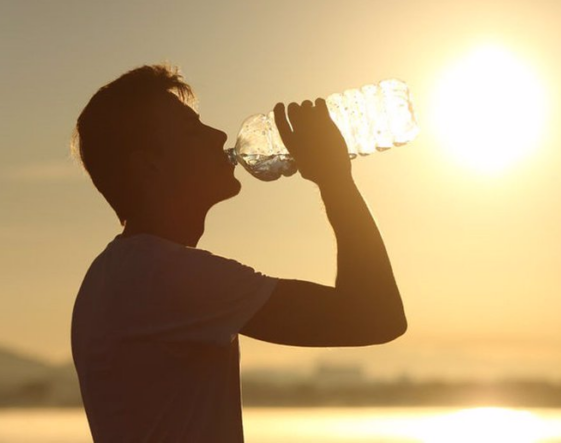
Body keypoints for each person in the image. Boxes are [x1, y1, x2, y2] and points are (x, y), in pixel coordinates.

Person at [70, 64, 407, 442]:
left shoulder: (113, 275)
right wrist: (334, 177)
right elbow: (376, 317)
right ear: (150, 165)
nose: (218, 135)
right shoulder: (162, 275)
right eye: (192, 131)